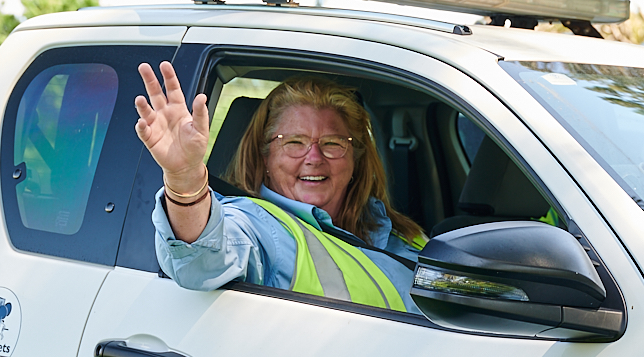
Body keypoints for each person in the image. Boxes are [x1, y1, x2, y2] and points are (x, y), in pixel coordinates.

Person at [134, 61, 427, 312]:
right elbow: (201, 260)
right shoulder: (261, 227)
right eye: (294, 143)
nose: (314, 158)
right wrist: (185, 179)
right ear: (265, 157)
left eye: (332, 143)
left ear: (356, 158)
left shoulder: (400, 232)